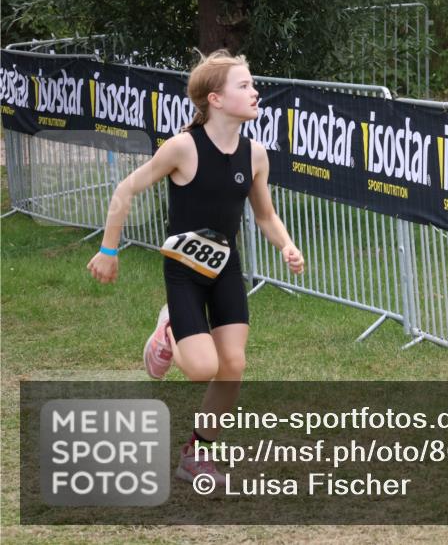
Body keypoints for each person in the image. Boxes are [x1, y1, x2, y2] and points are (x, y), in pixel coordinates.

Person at [86, 49, 305, 487]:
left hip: (225, 269)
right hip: (184, 270)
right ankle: (167, 330)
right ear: (216, 99)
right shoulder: (183, 147)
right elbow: (125, 190)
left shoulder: (255, 155)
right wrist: (109, 252)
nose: (255, 91)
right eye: (244, 85)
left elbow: (264, 215)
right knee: (202, 368)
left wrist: (287, 244)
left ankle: (195, 455)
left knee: (233, 366)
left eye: (252, 84)